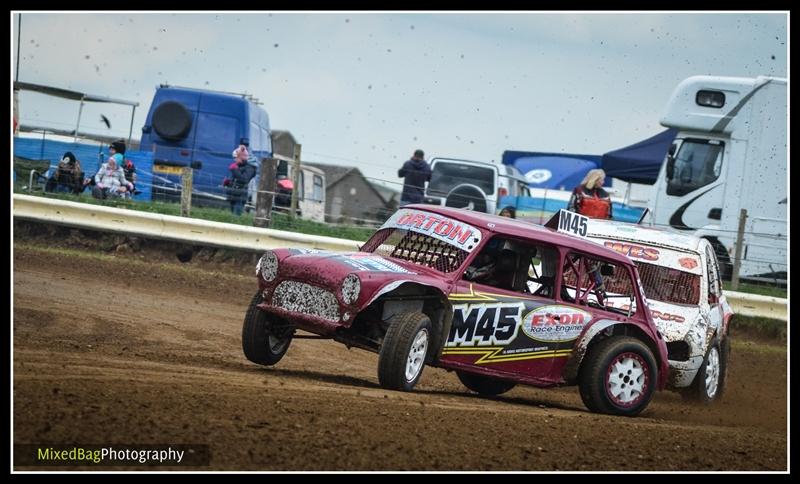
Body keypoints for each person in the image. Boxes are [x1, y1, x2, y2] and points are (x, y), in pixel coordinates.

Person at [224, 144, 257, 215]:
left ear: (241, 157)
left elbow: (244, 179)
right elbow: (237, 179)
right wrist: (229, 182)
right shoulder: (239, 165)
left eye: (236, 158)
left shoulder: (250, 167)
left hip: (240, 196)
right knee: (232, 216)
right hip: (233, 195)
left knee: (236, 216)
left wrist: (234, 170)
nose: (234, 160)